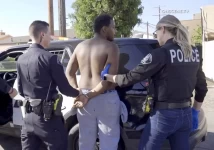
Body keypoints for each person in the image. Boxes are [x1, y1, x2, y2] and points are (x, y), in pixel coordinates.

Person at [101, 15, 208, 150]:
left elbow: (130, 77)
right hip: (186, 114)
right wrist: (195, 111)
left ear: (163, 29)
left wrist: (108, 77)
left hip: (164, 116)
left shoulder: (160, 53)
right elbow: (202, 87)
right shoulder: (193, 53)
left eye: (156, 32)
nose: (156, 36)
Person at [17, 20, 87, 150]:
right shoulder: (50, 58)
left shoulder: (21, 59)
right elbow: (65, 89)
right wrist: (79, 92)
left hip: (28, 119)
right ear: (42, 35)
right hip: (48, 120)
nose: (51, 38)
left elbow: (21, 90)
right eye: (50, 34)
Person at [66, 14, 120, 150]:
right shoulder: (111, 47)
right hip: (104, 98)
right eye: (113, 27)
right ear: (104, 29)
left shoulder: (80, 46)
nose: (115, 31)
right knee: (108, 140)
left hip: (84, 99)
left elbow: (69, 73)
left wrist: (78, 94)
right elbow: (107, 80)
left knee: (85, 140)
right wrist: (87, 96)